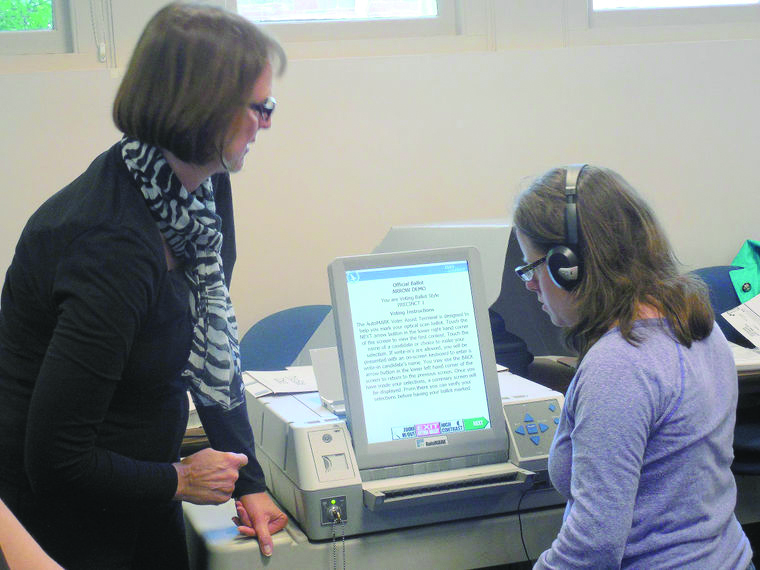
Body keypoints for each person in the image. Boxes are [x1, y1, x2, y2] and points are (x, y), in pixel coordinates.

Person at [0, 4, 288, 568]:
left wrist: (247, 479)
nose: (268, 122)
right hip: (62, 512)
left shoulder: (200, 190)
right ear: (203, 111)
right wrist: (179, 479)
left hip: (139, 479)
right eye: (259, 107)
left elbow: (209, 342)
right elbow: (56, 459)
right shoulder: (110, 245)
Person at [512, 165, 754, 569]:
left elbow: (592, 546)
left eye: (532, 267)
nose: (530, 284)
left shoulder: (618, 366)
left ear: (567, 266)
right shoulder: (697, 326)